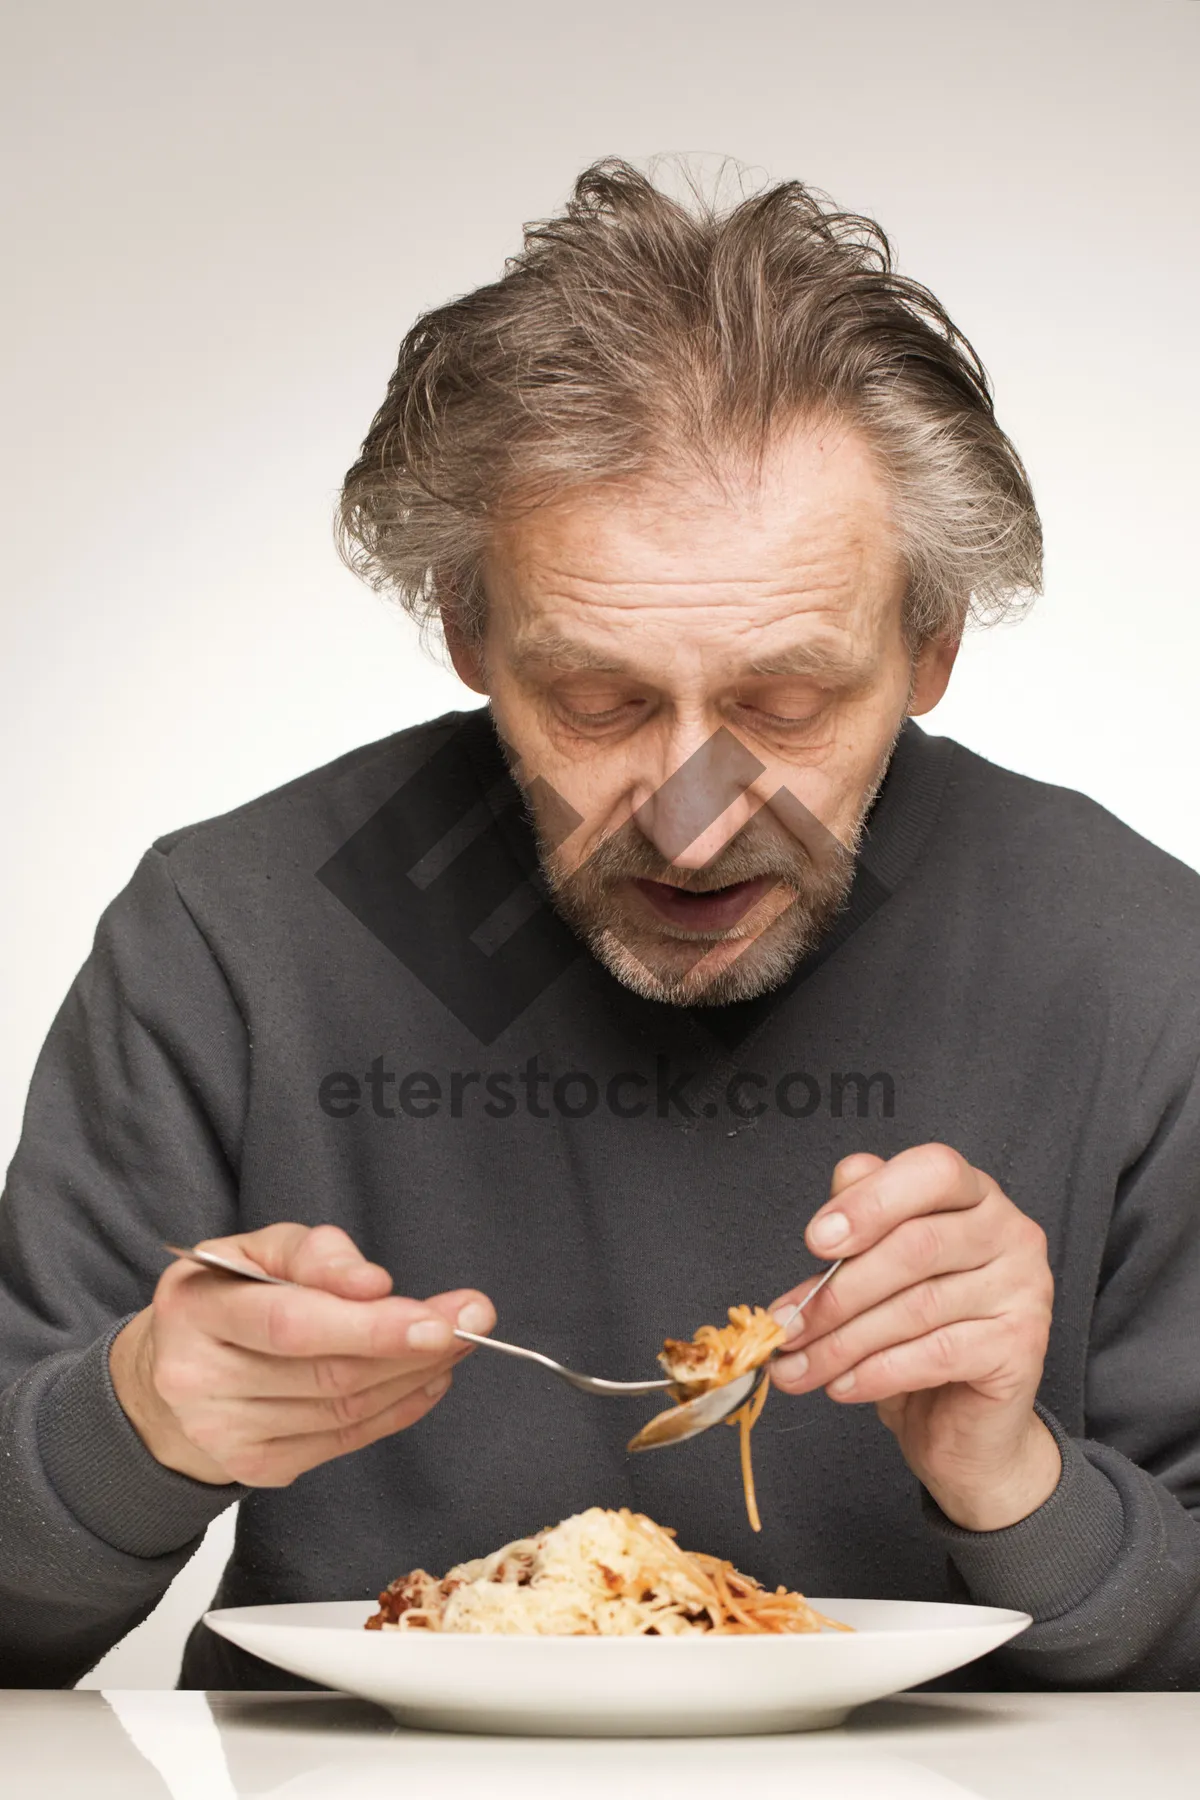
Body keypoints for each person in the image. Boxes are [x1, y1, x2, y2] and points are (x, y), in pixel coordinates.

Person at [2, 158, 1198, 1692]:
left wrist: (1014, 1479)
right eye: (597, 700)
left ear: (932, 646)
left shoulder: (1141, 963)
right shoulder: (230, 939)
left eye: (786, 702)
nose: (693, 817)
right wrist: (136, 1431)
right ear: (469, 635)